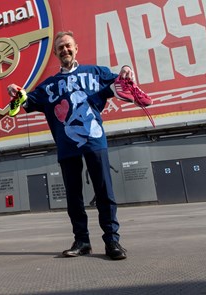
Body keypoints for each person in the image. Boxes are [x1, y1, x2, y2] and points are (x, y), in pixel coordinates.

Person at [7, 31, 135, 260]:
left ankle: (112, 241)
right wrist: (16, 93)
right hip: (67, 144)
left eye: (68, 46)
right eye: (60, 48)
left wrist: (126, 68)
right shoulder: (48, 86)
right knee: (73, 195)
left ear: (76, 48)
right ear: (56, 54)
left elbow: (121, 80)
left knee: (104, 190)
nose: (65, 50)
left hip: (95, 139)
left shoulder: (96, 72)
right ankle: (82, 240)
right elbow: (26, 101)